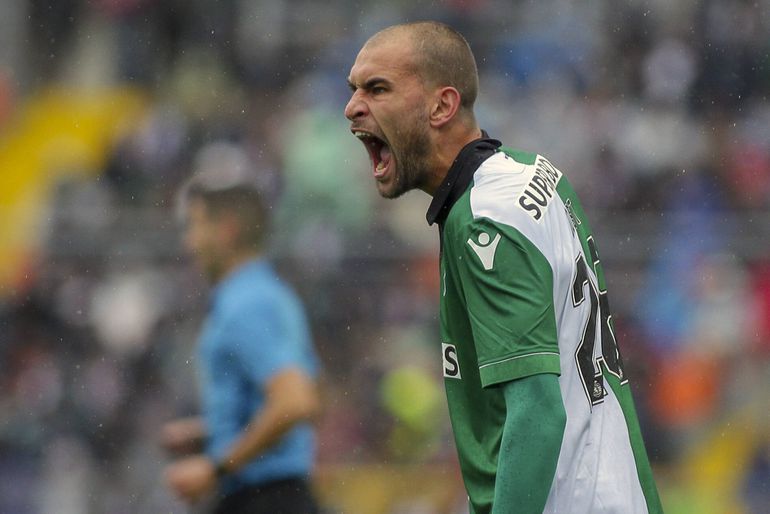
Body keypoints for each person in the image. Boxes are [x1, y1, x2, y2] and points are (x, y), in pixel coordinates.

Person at [344, 21, 663, 514]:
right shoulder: (531, 173)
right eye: (354, 89)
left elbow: (538, 412)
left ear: (442, 106)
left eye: (377, 88)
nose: (352, 107)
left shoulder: (485, 221)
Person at [162, 149, 322, 514]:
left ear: (226, 230)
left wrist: (215, 467)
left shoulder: (246, 304)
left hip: (264, 500)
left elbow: (295, 402)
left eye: (195, 225)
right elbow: (314, 397)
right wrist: (215, 432)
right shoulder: (275, 295)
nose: (189, 242)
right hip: (279, 496)